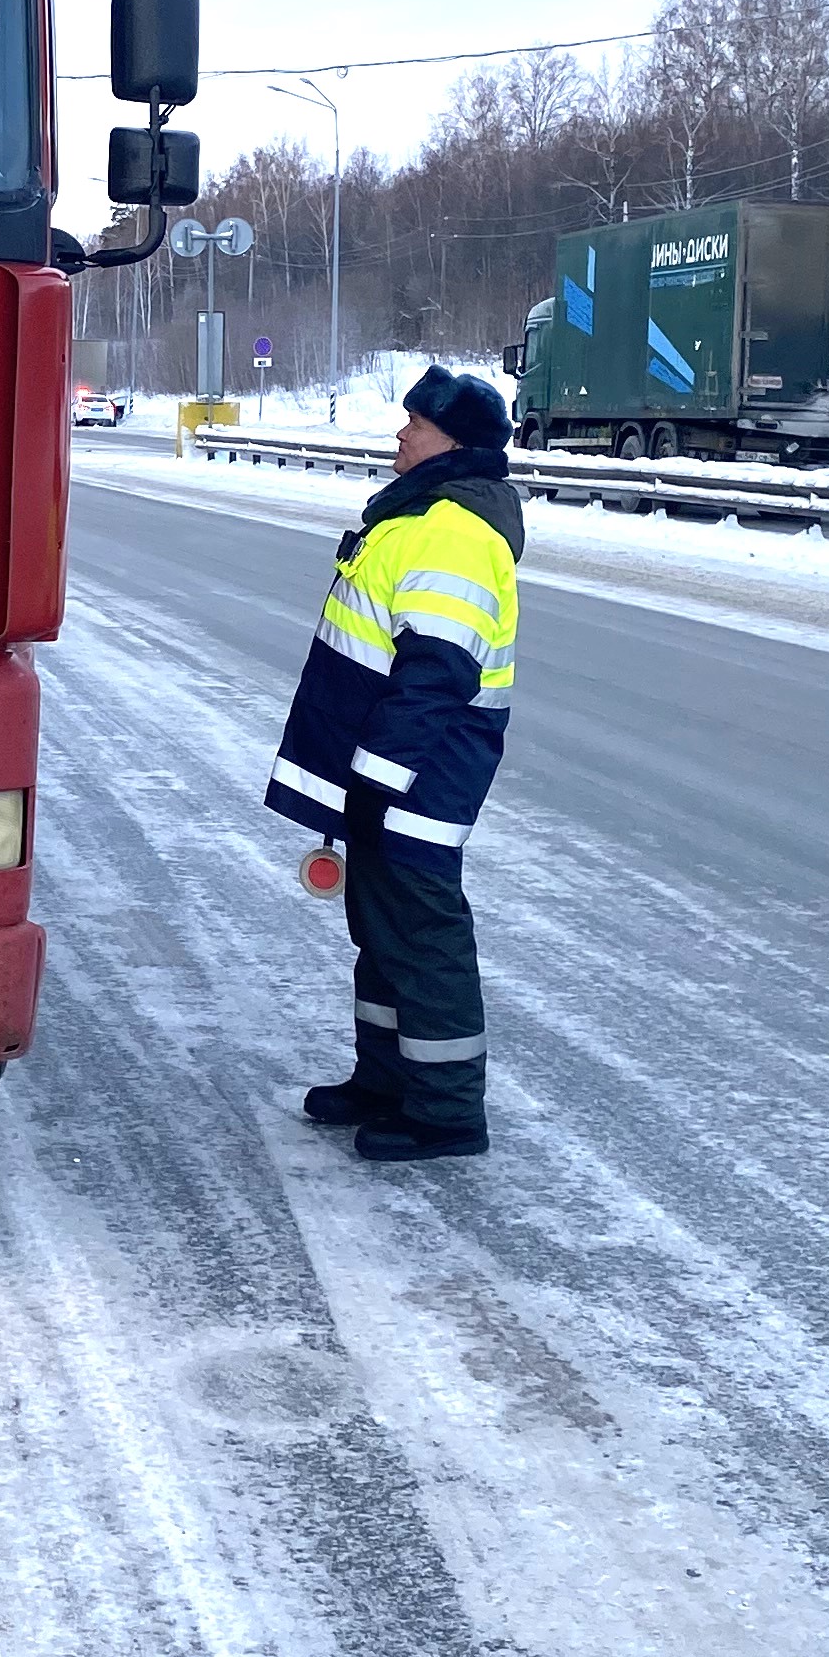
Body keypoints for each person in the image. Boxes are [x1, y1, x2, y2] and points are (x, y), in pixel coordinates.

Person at [262, 364, 522, 1161]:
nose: (400, 434)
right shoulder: (420, 516)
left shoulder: (455, 532)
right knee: (381, 932)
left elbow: (437, 675)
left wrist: (375, 781)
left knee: (423, 935)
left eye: (416, 423)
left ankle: (445, 1113)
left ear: (454, 442)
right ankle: (386, 1079)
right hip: (389, 776)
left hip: (417, 777)